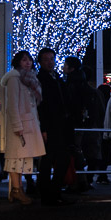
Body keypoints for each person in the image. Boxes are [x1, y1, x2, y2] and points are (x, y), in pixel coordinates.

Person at [0, 52, 44, 204]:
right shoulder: (14, 78)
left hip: (28, 124)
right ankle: (17, 190)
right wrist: (17, 125)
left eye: (29, 60)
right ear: (17, 62)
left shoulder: (29, 78)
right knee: (15, 157)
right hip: (20, 126)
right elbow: (12, 104)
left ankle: (18, 189)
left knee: (22, 158)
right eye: (24, 60)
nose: (28, 62)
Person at [35, 48, 74, 205]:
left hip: (61, 124)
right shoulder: (40, 80)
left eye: (52, 58)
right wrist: (43, 128)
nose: (50, 62)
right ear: (40, 62)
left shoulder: (57, 77)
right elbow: (41, 106)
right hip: (50, 125)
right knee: (49, 159)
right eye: (46, 59)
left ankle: (54, 191)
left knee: (61, 158)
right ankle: (48, 193)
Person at [64, 58, 100, 193]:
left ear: (71, 68)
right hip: (85, 123)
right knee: (79, 151)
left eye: (65, 65)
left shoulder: (71, 83)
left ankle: (76, 181)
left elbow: (70, 103)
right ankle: (82, 180)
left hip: (73, 123)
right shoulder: (84, 84)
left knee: (74, 151)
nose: (63, 67)